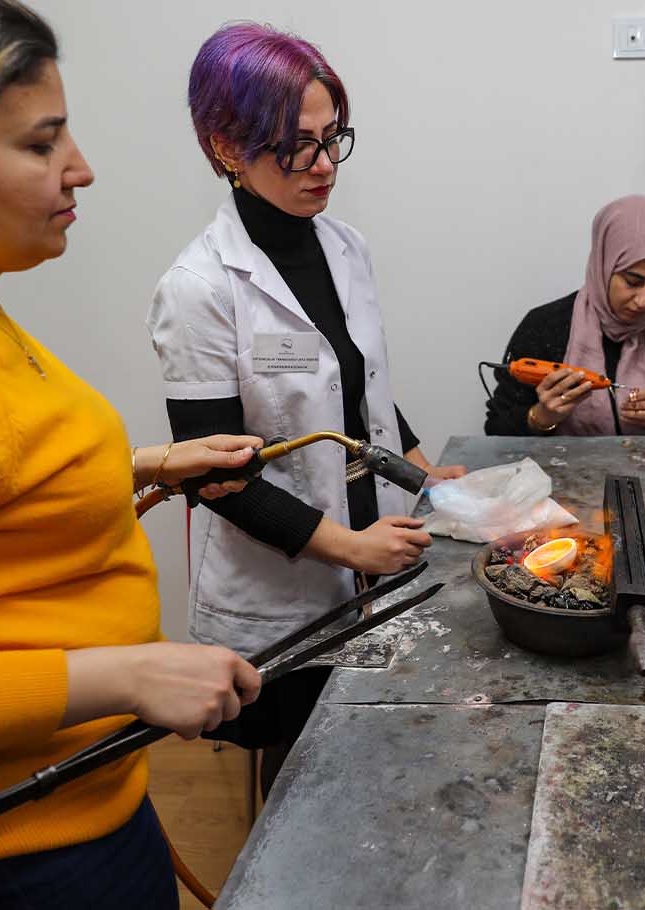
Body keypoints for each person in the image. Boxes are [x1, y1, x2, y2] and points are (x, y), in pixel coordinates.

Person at [0, 3, 270, 908]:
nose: (80, 168)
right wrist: (129, 674)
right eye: (40, 146)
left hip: (75, 802)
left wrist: (149, 463)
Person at [146, 24, 465, 784]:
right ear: (227, 146)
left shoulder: (345, 246)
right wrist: (348, 547)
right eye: (296, 146)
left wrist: (422, 470)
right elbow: (214, 478)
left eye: (333, 139)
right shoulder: (199, 288)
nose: (324, 166)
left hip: (376, 553)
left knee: (373, 755)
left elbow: (359, 389)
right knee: (298, 769)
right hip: (283, 582)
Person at [484, 195, 645, 436]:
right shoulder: (546, 325)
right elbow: (496, 429)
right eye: (632, 281)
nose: (643, 301)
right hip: (564, 471)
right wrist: (542, 417)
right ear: (603, 264)